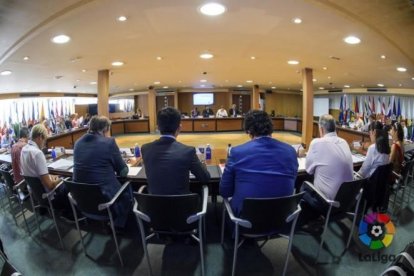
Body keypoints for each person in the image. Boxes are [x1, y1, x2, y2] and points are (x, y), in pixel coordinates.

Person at [220, 110, 298, 215]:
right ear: (271, 127)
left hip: (245, 221)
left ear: (248, 131)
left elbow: (225, 191)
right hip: (282, 217)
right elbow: (292, 181)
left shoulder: (237, 152)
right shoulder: (290, 151)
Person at [73, 115, 132, 229]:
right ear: (105, 129)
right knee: (128, 187)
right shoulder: (109, 143)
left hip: (83, 201)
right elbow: (123, 172)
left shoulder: (78, 143)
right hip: (106, 201)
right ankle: (120, 224)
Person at [141, 107, 210, 195]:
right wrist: (203, 166)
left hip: (152, 206)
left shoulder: (145, 149)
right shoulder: (188, 151)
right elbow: (205, 178)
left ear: (157, 127)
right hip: (183, 207)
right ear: (179, 127)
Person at [301, 114, 353, 222]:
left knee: (302, 184)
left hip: (328, 203)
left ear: (321, 129)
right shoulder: (344, 142)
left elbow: (308, 169)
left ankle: (309, 219)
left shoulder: (316, 143)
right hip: (347, 200)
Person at [20, 124, 72, 216]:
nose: (44, 144)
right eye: (45, 140)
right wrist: (63, 177)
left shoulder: (24, 150)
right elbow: (50, 186)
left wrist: (53, 177)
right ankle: (70, 214)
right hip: (50, 198)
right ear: (40, 137)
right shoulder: (37, 153)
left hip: (38, 196)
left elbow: (36, 175)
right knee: (70, 181)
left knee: (59, 178)